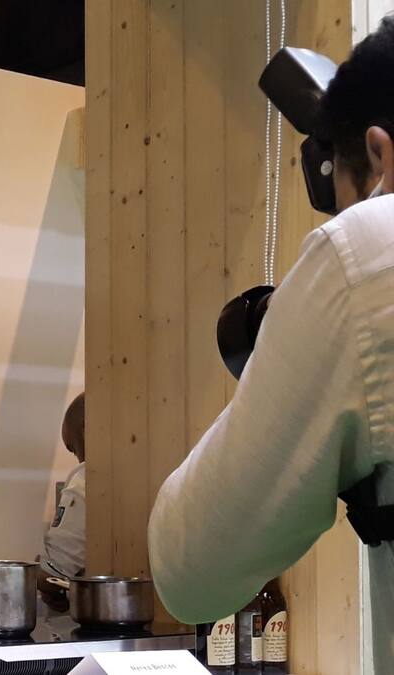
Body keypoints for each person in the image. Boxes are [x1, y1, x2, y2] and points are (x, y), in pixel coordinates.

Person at [148, 18, 394, 672]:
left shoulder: (367, 252)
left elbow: (190, 567)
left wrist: (280, 355)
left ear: (379, 156)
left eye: (339, 202)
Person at [37, 394, 86, 610]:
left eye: (73, 448)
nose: (77, 459)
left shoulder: (86, 481)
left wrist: (39, 576)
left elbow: (55, 572)